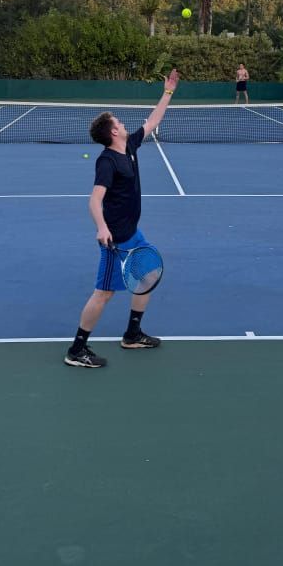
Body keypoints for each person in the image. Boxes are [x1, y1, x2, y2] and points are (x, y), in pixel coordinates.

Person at [64, 69, 180, 369]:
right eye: (118, 122)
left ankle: (132, 334)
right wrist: (101, 227)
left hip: (133, 234)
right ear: (112, 132)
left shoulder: (129, 146)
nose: (123, 123)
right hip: (115, 241)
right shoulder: (106, 161)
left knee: (147, 275)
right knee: (103, 293)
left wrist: (168, 91)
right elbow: (94, 200)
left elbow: (153, 121)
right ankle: (77, 349)